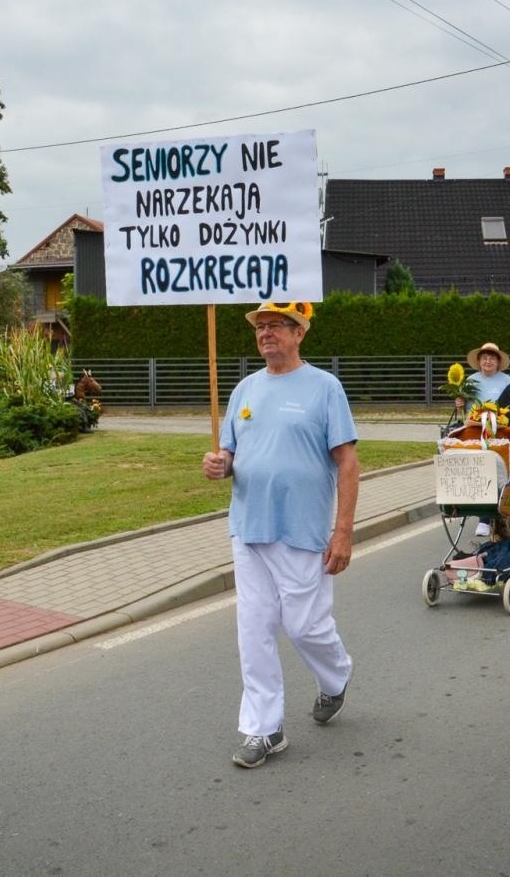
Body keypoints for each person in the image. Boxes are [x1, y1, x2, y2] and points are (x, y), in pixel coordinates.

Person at [202, 300, 358, 769]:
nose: (266, 333)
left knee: (305, 626)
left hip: (302, 530)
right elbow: (230, 452)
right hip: (249, 528)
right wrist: (218, 464)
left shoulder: (324, 388)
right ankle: (263, 729)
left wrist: (344, 531)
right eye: (260, 327)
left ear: (299, 333)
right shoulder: (245, 389)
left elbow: (347, 462)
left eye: (276, 326)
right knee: (255, 630)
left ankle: (336, 677)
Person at [454, 342, 510, 419]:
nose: (488, 362)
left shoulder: (507, 381)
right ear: (479, 361)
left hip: (500, 425)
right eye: (484, 358)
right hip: (474, 424)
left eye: (492, 358)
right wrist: (459, 404)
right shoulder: (470, 380)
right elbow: (462, 409)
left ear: (498, 362)